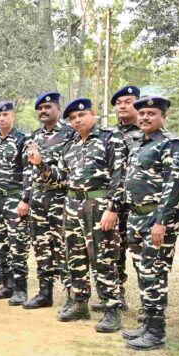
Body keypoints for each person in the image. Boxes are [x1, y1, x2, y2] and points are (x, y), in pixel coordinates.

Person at [31, 98, 124, 333]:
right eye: (72, 118)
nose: (77, 120)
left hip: (98, 204)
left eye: (81, 115)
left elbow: (119, 176)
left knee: (103, 258)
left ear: (93, 114)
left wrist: (112, 208)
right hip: (72, 204)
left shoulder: (109, 138)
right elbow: (60, 178)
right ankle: (80, 303)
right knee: (75, 257)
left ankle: (111, 309)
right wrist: (41, 165)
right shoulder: (70, 145)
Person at [120, 97, 179, 350]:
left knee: (154, 273)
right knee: (143, 271)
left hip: (157, 220)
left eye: (151, 113)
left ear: (163, 117)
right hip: (137, 217)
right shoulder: (139, 143)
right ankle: (148, 323)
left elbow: (173, 186)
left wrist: (161, 222)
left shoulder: (171, 144)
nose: (145, 117)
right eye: (142, 113)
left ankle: (156, 332)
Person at [19, 92, 73, 309]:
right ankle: (44, 293)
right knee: (41, 246)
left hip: (60, 198)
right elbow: (28, 171)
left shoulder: (70, 134)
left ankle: (72, 296)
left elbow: (68, 172)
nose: (43, 111)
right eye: (40, 108)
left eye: (48, 107)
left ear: (59, 109)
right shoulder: (34, 137)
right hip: (38, 199)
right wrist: (25, 198)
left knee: (64, 247)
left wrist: (42, 165)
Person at [0, 101, 31, 305]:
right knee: (1, 245)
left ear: (13, 116)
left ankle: (21, 289)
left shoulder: (22, 139)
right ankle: (8, 284)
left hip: (15, 199)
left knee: (17, 245)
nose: (2, 118)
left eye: (6, 115)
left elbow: (29, 171)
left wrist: (25, 199)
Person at [103, 85, 142, 312]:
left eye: (128, 101)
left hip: (136, 204)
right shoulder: (108, 134)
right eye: (118, 103)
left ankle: (148, 305)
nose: (123, 106)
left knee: (140, 254)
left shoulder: (148, 131)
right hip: (112, 204)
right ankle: (117, 295)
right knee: (112, 251)